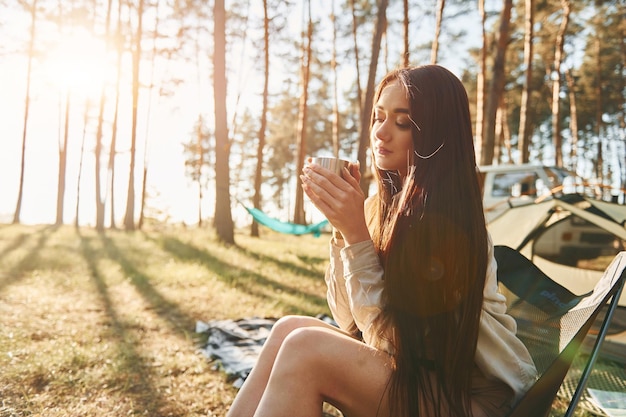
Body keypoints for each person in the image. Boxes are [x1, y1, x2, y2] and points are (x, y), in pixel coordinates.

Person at [226, 64, 538, 417]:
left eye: (402, 122)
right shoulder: (382, 208)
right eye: (378, 117)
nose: (381, 133)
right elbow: (349, 321)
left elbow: (394, 346)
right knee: (289, 329)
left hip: (475, 402)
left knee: (305, 348)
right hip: (427, 385)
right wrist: (343, 230)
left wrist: (357, 236)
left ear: (435, 134)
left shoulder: (448, 225)